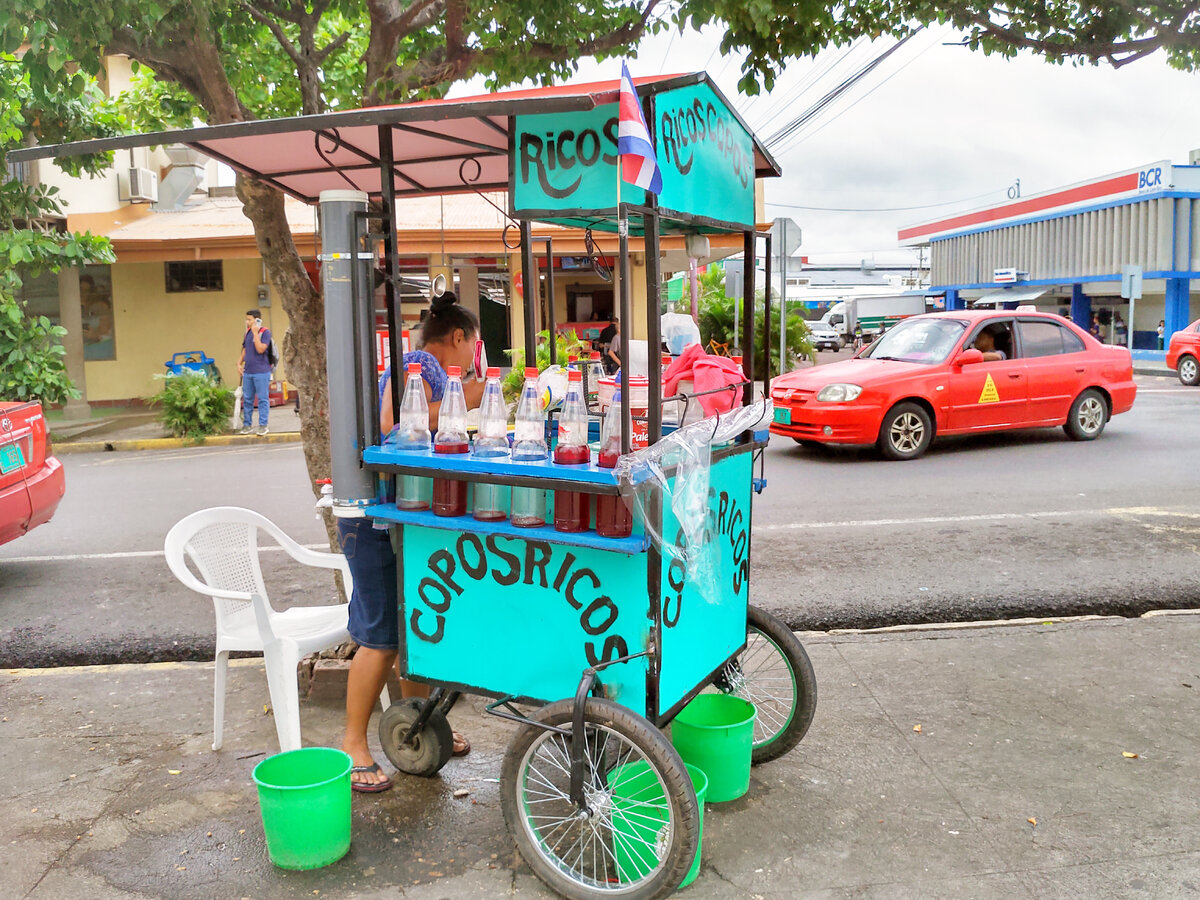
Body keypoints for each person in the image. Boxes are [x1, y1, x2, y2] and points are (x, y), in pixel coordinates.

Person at [340, 292, 482, 792]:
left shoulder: (429, 370)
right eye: (473, 346)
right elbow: (392, 424)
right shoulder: (421, 363)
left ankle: (420, 723)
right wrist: (471, 397)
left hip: (399, 515)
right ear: (458, 339)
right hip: (373, 518)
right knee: (379, 638)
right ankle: (353, 744)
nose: (472, 358)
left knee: (411, 631)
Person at [238, 309, 272, 436]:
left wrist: (255, 333)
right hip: (248, 371)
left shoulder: (265, 332)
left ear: (257, 320)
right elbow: (245, 349)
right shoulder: (247, 332)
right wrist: (239, 363)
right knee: (247, 399)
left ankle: (263, 425)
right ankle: (247, 425)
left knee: (263, 399)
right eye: (246, 319)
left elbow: (260, 349)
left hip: (261, 371)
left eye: (250, 319)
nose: (247, 322)